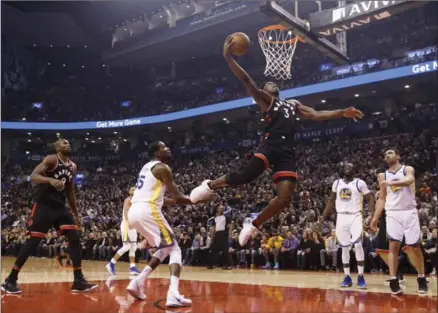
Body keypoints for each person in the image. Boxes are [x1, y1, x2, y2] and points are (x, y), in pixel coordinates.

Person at [190, 36, 364, 247]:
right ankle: (209, 184)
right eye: (268, 83)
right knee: (246, 176)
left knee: (284, 199)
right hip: (270, 144)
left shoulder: (292, 103)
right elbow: (246, 80)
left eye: (274, 82)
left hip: (287, 151)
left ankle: (253, 224)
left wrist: (342, 112)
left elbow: (316, 115)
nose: (273, 82)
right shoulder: (266, 100)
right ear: (264, 91)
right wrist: (228, 58)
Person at [125, 141, 215, 307]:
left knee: (165, 248)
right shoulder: (163, 168)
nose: (168, 149)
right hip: (147, 210)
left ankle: (137, 282)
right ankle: (173, 294)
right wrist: (197, 199)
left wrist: (191, 201)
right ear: (157, 152)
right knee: (175, 249)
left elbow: (164, 200)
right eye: (164, 147)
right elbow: (178, 197)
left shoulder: (146, 167)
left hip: (135, 212)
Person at [1, 138, 97, 294]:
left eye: (69, 142)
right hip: (43, 206)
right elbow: (33, 176)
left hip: (60, 207)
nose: (68, 144)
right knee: (33, 242)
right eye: (64, 143)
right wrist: (50, 180)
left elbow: (70, 192)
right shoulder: (52, 159)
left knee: (74, 237)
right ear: (56, 147)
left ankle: (78, 280)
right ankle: (10, 280)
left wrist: (76, 215)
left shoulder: (72, 166)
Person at [370, 149, 428, 295]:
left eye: (390, 153)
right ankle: (394, 280)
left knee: (414, 247)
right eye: (385, 154)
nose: (387, 155)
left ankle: (421, 277)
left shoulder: (407, 169)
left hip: (409, 211)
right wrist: (375, 217)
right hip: (393, 212)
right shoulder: (382, 175)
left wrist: (390, 183)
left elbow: (409, 180)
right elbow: (382, 198)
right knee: (393, 246)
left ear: (398, 156)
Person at [322, 163, 375, 289]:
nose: (347, 169)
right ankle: (347, 277)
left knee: (357, 244)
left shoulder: (359, 183)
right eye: (345, 167)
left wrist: (372, 215)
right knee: (344, 247)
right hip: (341, 216)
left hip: (355, 215)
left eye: (350, 167)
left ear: (355, 170)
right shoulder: (337, 183)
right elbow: (331, 201)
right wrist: (322, 218)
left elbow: (370, 198)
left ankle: (361, 276)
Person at [106, 186, 141, 276]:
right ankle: (111, 264)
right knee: (126, 246)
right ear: (129, 191)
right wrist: (129, 222)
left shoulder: (138, 202)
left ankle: (132, 268)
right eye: (132, 189)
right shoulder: (128, 200)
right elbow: (125, 212)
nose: (134, 190)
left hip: (133, 226)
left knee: (133, 247)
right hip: (126, 224)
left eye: (135, 189)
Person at [372, 191, 405, 285]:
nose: (378, 198)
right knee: (381, 250)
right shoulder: (380, 204)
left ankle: (395, 276)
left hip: (389, 225)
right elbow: (377, 211)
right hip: (383, 226)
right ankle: (397, 274)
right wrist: (377, 198)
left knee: (386, 250)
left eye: (380, 196)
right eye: (377, 197)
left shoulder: (390, 203)